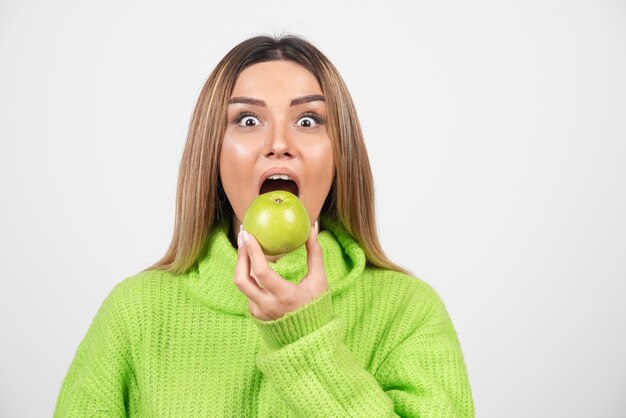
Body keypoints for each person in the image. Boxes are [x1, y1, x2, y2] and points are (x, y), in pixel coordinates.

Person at [54, 34, 475, 417]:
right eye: (248, 120)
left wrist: (304, 337)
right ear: (213, 154)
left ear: (340, 154)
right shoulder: (135, 312)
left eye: (308, 120)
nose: (279, 144)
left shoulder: (408, 312)